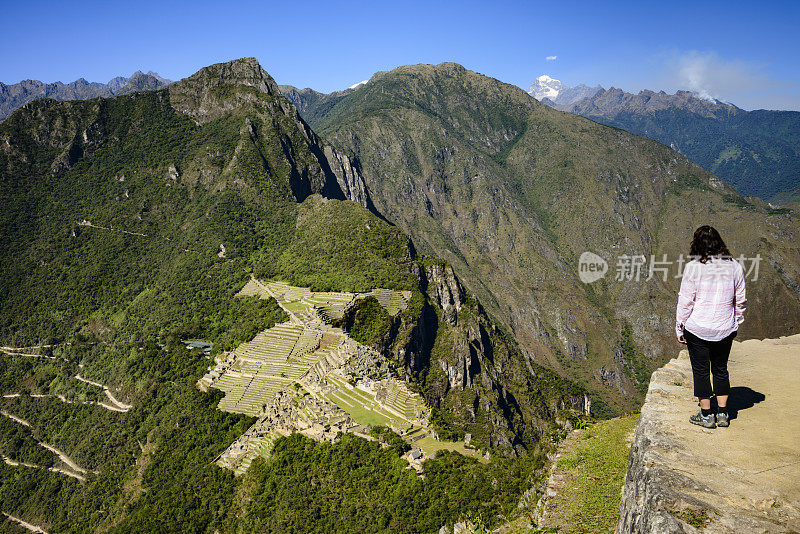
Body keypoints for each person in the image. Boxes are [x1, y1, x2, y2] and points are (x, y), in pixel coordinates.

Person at [675, 225, 746, 429]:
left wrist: (680, 327)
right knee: (721, 369)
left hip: (698, 328)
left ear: (696, 244)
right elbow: (740, 299)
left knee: (701, 371)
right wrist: (736, 320)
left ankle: (706, 415)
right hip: (725, 328)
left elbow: (686, 301)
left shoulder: (694, 267)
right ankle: (723, 413)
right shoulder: (734, 266)